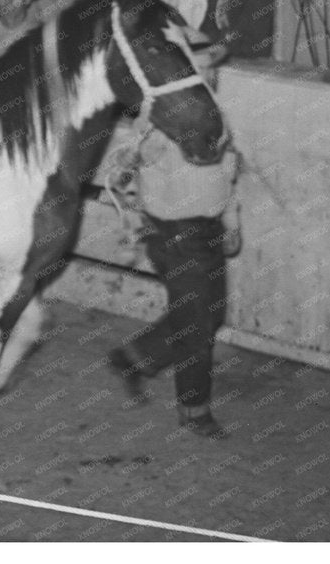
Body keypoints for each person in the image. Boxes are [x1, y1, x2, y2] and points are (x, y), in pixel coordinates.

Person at [107, 122, 240, 440]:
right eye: (201, 69)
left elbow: (227, 173)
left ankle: (134, 357)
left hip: (210, 231)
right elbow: (120, 174)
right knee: (196, 327)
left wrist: (232, 223)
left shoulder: (212, 116)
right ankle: (195, 412)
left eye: (210, 70)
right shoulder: (157, 127)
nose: (208, 76)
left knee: (211, 316)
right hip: (176, 237)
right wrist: (137, 221)